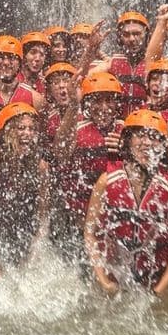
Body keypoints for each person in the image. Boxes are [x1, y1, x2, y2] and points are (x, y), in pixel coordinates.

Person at [84, 109, 168, 296]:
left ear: (162, 145)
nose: (147, 143)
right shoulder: (106, 181)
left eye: (154, 137)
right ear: (127, 141)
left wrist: (158, 291)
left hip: (156, 281)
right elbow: (89, 233)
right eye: (140, 136)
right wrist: (104, 282)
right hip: (115, 277)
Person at [0, 102, 50, 278]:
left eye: (32, 129)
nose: (27, 133)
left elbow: (43, 218)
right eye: (20, 128)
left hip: (23, 235)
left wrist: (34, 256)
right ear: (6, 133)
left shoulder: (41, 168)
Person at [53, 71, 125, 259]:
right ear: (87, 104)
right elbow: (60, 151)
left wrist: (125, 150)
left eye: (109, 101)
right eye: (97, 101)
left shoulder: (126, 131)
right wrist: (73, 104)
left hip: (114, 221)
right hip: (78, 218)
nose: (104, 107)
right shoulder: (76, 128)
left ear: (117, 103)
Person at [0, 35, 46, 141]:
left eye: (11, 58)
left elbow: (42, 139)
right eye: (0, 57)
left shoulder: (35, 98)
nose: (6, 63)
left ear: (20, 63)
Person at [108, 11, 150, 116]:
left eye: (137, 34)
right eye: (126, 35)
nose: (132, 39)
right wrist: (90, 50)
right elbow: (82, 78)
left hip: (145, 121)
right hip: (118, 122)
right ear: (120, 39)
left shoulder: (156, 63)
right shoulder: (112, 63)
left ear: (146, 35)